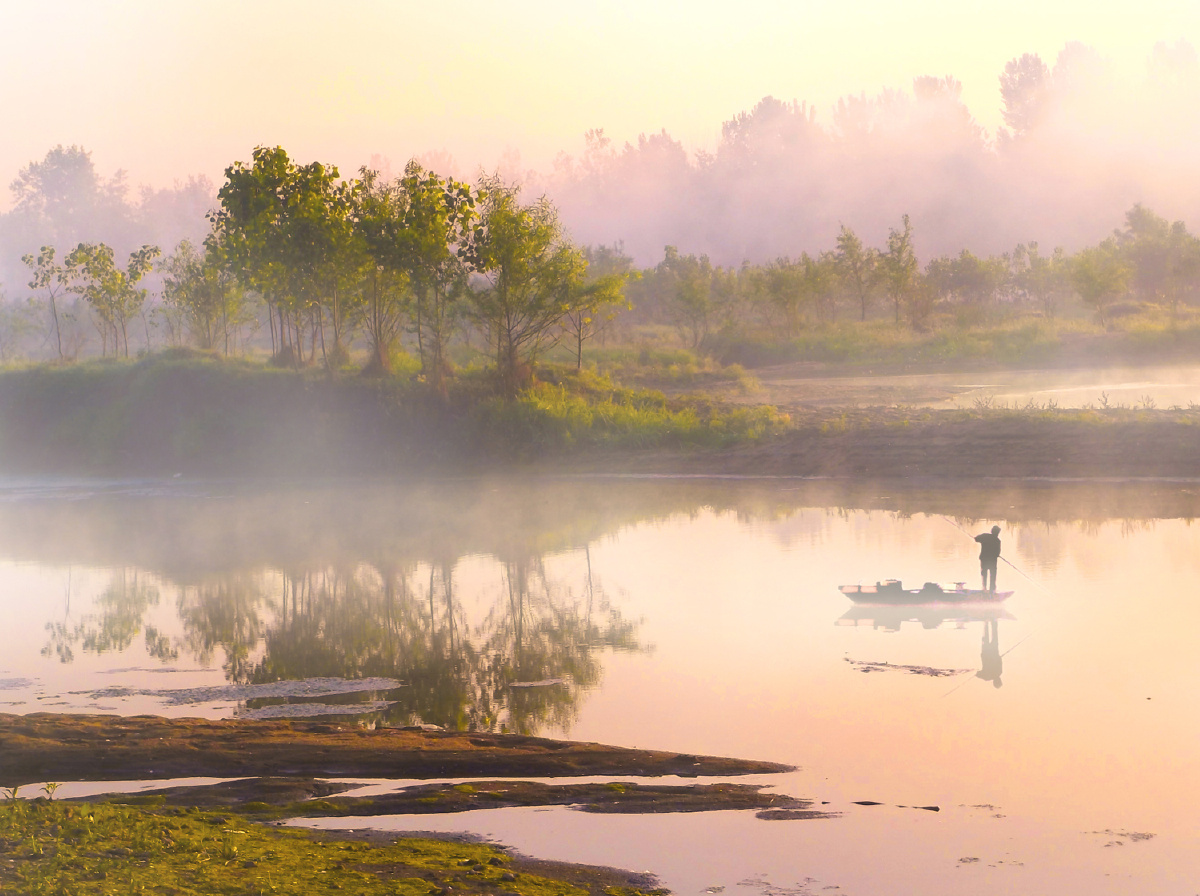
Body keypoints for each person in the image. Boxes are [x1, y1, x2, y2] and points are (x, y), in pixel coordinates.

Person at [974, 525, 1001, 592]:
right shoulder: (997, 541)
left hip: (984, 559)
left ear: (991, 531)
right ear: (997, 533)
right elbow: (997, 553)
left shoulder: (985, 536)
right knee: (993, 575)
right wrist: (996, 554)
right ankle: (992, 589)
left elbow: (976, 539)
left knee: (984, 574)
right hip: (992, 561)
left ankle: (984, 588)